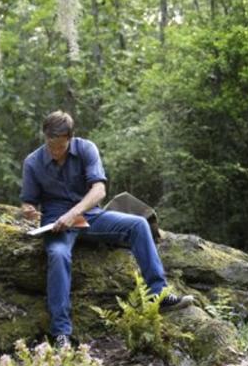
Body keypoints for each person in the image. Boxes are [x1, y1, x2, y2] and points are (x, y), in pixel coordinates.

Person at [20, 110, 193, 349]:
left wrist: (75, 213)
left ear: (70, 138)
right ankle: (61, 333)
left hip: (90, 215)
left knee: (139, 224)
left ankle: (158, 294)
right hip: (57, 223)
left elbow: (99, 190)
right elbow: (28, 201)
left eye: (60, 146)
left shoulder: (86, 148)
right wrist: (28, 209)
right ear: (44, 136)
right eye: (51, 145)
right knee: (58, 255)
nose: (55, 151)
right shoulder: (32, 162)